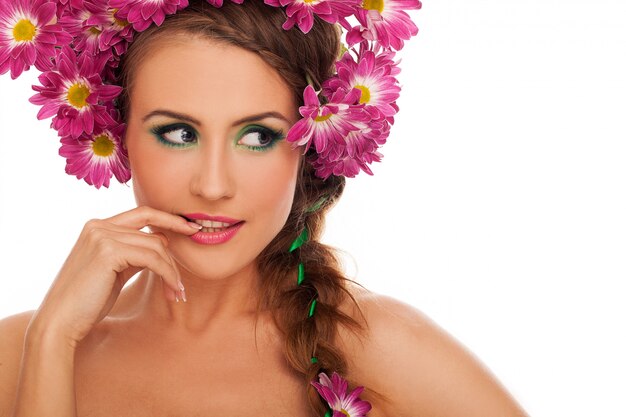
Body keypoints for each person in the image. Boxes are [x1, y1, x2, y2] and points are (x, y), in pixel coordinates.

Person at [0, 0, 529, 416]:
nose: (212, 186)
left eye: (257, 135)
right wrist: (51, 340)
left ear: (311, 143)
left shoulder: (380, 348)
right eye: (178, 133)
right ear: (118, 135)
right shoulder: (21, 351)